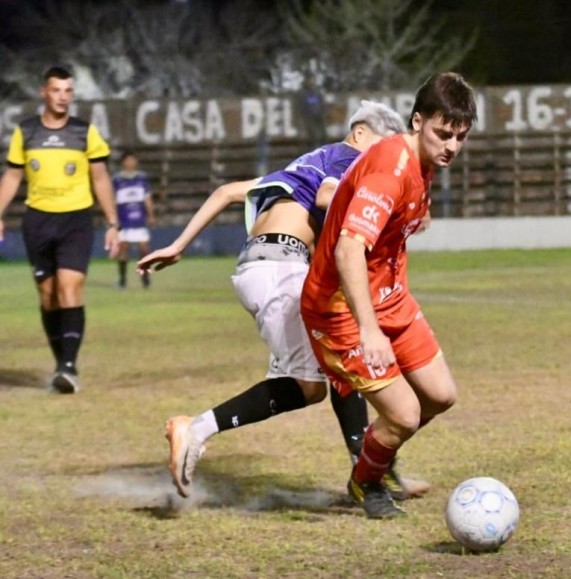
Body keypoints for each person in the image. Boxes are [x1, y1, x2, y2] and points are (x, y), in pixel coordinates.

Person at [137, 101, 428, 501]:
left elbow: (225, 192)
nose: (385, 160)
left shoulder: (302, 167)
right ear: (360, 133)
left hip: (262, 266)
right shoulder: (347, 159)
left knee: (339, 367)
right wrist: (393, 204)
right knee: (314, 383)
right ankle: (196, 429)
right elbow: (329, 195)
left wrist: (178, 245)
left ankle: (370, 471)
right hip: (282, 267)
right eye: (382, 147)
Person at [300, 72, 477, 519]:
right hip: (340, 308)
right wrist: (369, 329)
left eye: (460, 136)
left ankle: (377, 452)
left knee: (440, 396)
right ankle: (366, 482)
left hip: (390, 298)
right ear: (417, 122)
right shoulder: (390, 169)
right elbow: (347, 249)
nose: (452, 146)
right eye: (443, 134)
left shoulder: (422, 163)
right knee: (404, 415)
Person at [0, 66, 120, 394]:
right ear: (44, 92)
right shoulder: (26, 132)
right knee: (48, 295)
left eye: (68, 91)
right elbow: (12, 176)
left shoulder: (85, 132)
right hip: (37, 221)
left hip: (75, 221)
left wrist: (112, 223)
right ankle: (61, 364)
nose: (63, 97)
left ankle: (69, 366)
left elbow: (100, 178)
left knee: (69, 288)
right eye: (56, 90)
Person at [112, 150, 155, 289]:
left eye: (133, 160)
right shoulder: (117, 180)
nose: (130, 162)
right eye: (128, 160)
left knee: (144, 249)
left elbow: (147, 198)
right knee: (123, 249)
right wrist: (113, 219)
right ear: (123, 162)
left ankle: (145, 278)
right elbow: (112, 200)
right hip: (123, 220)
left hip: (139, 220)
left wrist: (151, 215)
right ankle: (122, 280)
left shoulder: (142, 178)